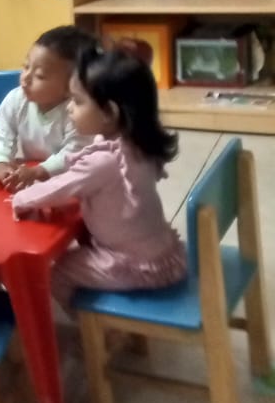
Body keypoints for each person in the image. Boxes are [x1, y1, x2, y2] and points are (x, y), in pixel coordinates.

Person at [12, 44, 186, 309]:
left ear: (109, 113)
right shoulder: (136, 139)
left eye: (77, 101)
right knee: (79, 241)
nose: (69, 108)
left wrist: (20, 199)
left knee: (59, 271)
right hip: (163, 253)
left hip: (138, 266)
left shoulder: (104, 162)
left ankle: (94, 327)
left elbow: (59, 188)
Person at [0, 25, 95, 192]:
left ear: (71, 85)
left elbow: (73, 153)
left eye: (39, 75)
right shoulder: (16, 99)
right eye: (26, 66)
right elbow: (2, 135)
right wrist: (1, 163)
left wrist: (37, 171)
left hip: (70, 183)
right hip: (31, 177)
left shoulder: (78, 113)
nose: (25, 78)